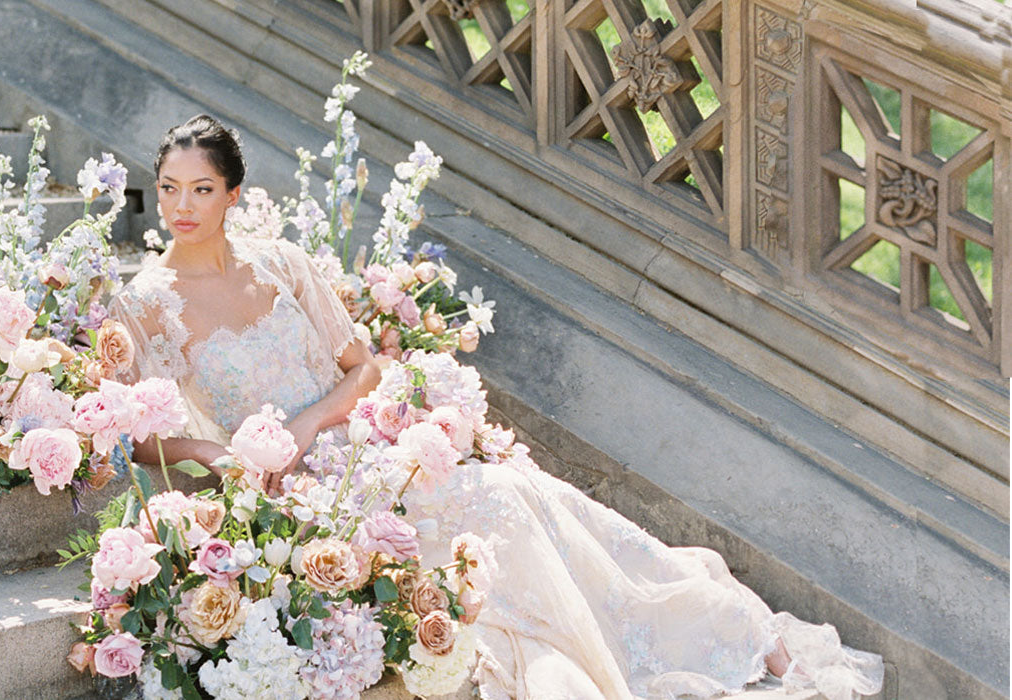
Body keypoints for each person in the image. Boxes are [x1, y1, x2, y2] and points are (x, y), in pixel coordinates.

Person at [106, 113, 883, 700]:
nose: (181, 205)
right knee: (484, 515)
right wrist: (227, 458)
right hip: (296, 494)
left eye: (201, 188)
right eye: (170, 188)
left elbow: (364, 368)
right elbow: (143, 438)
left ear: (233, 194)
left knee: (514, 492)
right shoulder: (144, 302)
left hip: (359, 450)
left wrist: (312, 421)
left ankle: (728, 629)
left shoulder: (283, 264)